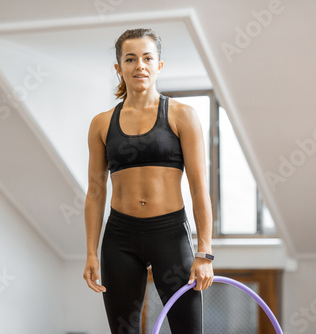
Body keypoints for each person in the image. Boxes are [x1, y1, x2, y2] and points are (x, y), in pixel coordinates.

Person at [83, 28, 214, 334]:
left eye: (147, 58)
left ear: (159, 65)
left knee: (188, 330)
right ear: (119, 68)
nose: (139, 65)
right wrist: (91, 252)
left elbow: (199, 188)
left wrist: (205, 253)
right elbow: (95, 191)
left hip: (170, 234)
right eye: (130, 59)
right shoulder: (101, 123)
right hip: (120, 237)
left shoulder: (182, 115)